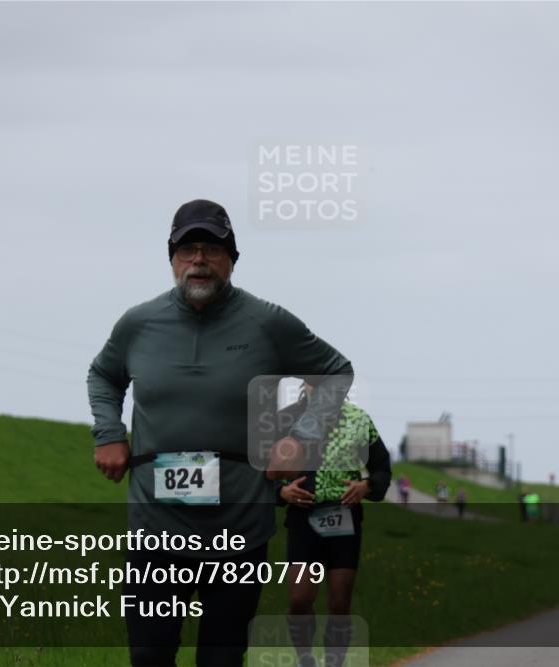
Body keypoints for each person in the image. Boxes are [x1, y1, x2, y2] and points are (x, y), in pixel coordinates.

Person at [86, 199, 354, 667]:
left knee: (222, 657)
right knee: (149, 655)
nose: (199, 260)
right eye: (188, 249)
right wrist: (109, 431)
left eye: (212, 249)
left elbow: (335, 372)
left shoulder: (267, 323)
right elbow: (104, 375)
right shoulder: (138, 324)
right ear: (171, 259)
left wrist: (300, 440)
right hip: (156, 527)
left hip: (239, 527)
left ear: (231, 259)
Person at [276, 386, 391, 667]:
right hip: (304, 518)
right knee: (300, 600)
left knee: (340, 603)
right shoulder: (286, 419)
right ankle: (306, 660)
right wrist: (281, 492)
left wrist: (367, 486)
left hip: (344, 517)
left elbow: (382, 468)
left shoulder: (358, 419)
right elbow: (262, 470)